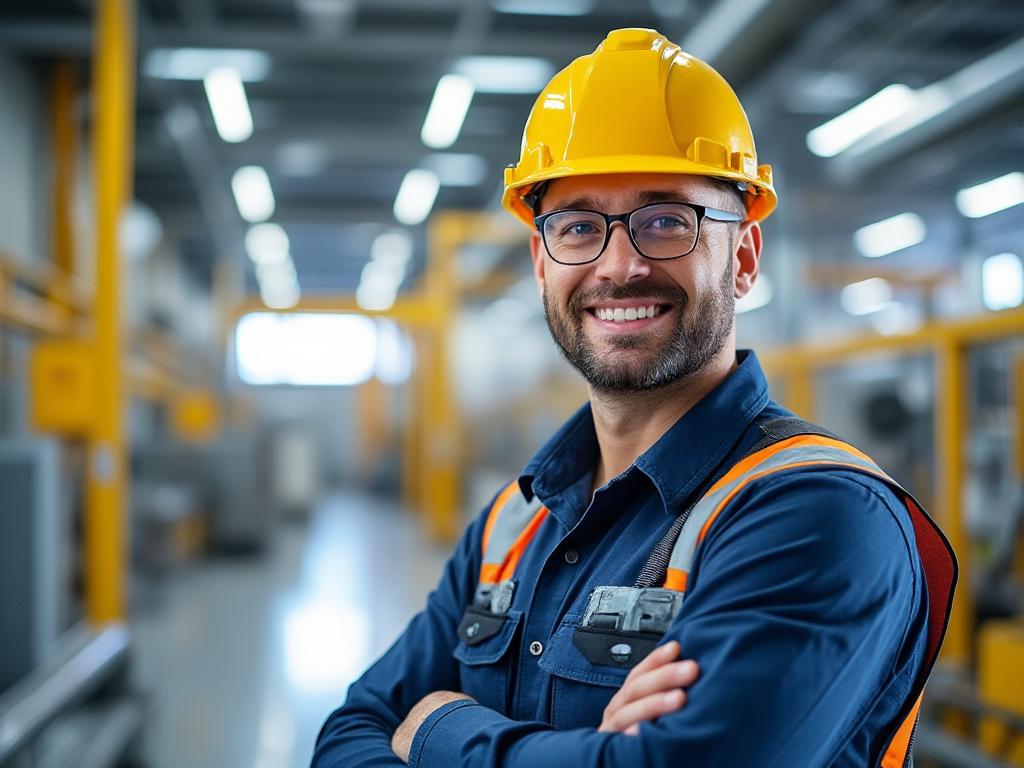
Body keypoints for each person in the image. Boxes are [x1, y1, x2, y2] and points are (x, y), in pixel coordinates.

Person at [313, 27, 956, 768]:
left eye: (665, 222)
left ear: (742, 258)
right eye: (579, 227)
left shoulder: (818, 514)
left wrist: (439, 729)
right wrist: (588, 753)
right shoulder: (513, 525)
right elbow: (347, 734)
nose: (620, 267)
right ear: (541, 261)